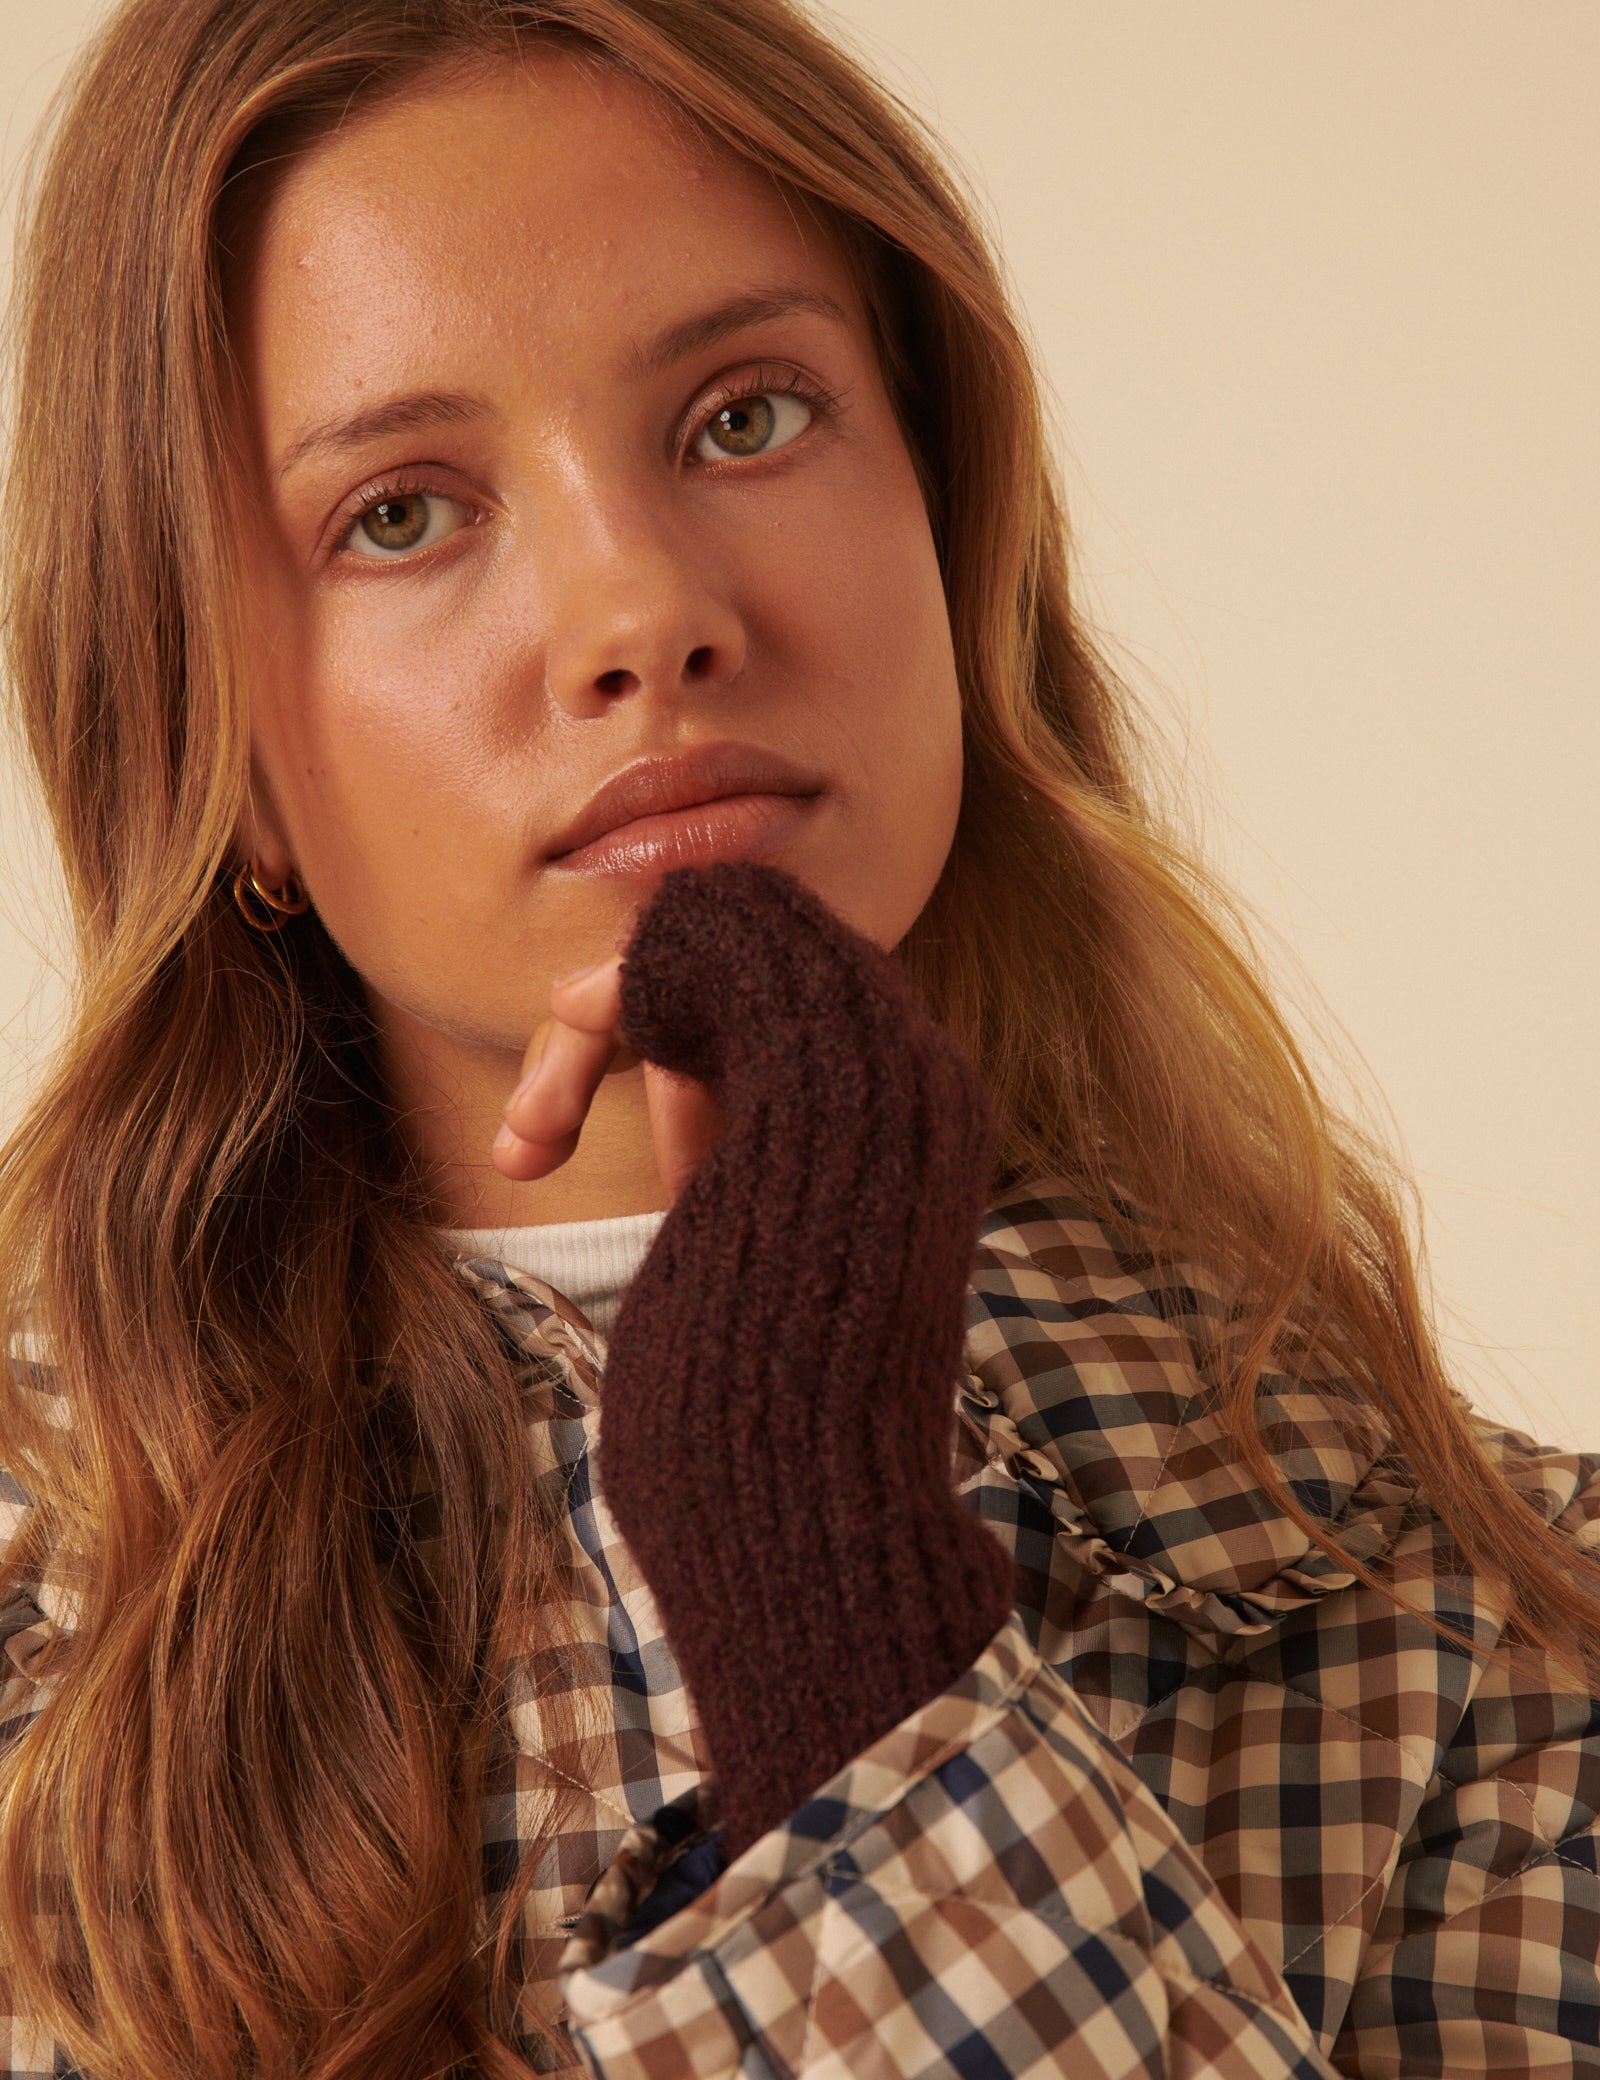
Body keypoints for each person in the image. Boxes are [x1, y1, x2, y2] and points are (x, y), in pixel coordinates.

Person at [0, 1, 1595, 2075]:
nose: (642, 613)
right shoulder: (42, 1657)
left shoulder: (1502, 1616)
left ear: (949, 523)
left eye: (743, 417)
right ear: (219, 753)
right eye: (400, 512)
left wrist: (824, 1596)